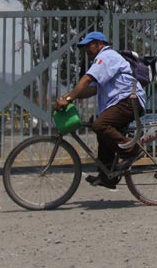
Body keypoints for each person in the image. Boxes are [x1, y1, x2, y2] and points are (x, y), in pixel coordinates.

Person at [54, 31, 146, 189]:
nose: (86, 50)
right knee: (103, 136)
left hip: (129, 101)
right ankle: (107, 177)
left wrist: (68, 99)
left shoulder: (106, 56)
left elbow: (87, 79)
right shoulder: (104, 60)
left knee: (100, 125)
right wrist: (69, 96)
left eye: (89, 46)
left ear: (99, 44)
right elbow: (91, 89)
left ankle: (134, 150)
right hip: (122, 102)